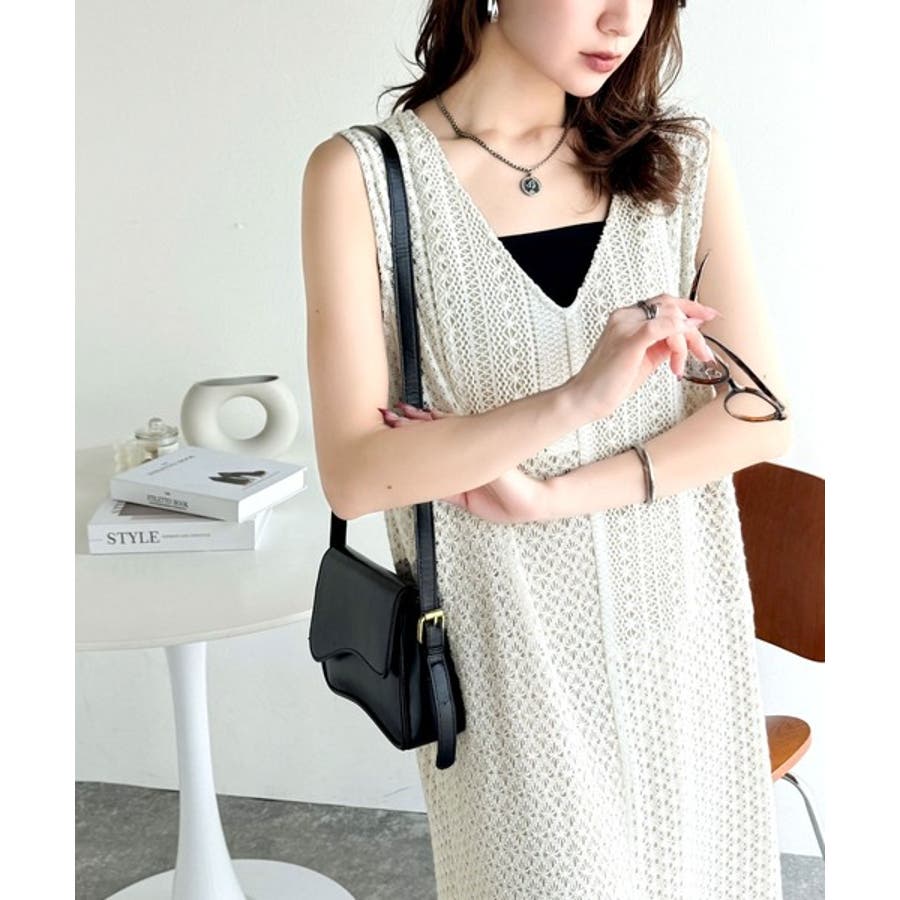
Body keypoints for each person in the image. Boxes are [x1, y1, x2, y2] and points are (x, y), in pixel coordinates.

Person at [301, 1, 793, 898]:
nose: (620, 18)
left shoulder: (680, 161)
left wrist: (556, 495)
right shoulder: (367, 179)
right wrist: (575, 401)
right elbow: (357, 474)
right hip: (508, 666)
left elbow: (759, 416)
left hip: (681, 636)